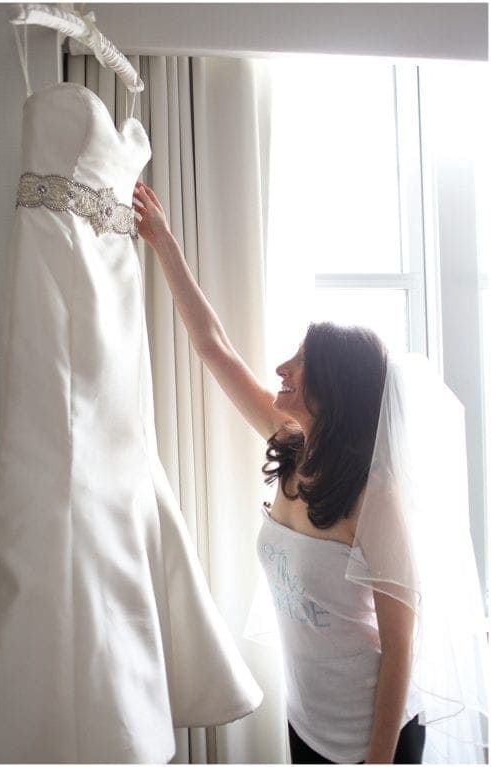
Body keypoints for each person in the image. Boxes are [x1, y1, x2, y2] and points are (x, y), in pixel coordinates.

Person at [132, 181, 431, 763]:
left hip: (375, 738)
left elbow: (400, 645)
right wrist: (163, 242)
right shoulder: (293, 448)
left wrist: (378, 757)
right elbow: (212, 348)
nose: (281, 367)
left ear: (335, 390)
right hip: (307, 722)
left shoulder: (377, 498)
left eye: (301, 363)